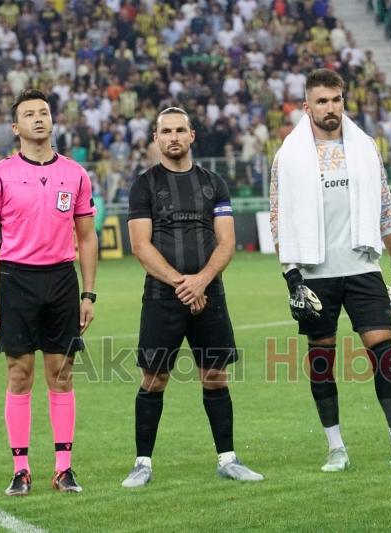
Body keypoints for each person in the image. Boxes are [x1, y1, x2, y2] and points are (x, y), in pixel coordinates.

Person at [270, 69, 391, 473]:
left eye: (336, 99)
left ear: (344, 100)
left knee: (384, 351)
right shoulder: (287, 156)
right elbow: (279, 217)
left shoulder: (364, 146)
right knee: (322, 358)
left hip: (363, 265)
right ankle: (335, 448)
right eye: (322, 101)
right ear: (307, 106)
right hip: (314, 273)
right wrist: (292, 277)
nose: (330, 108)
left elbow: (385, 206)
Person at [122, 107, 263, 487]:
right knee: (153, 379)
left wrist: (201, 281)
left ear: (192, 135)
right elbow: (140, 245)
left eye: (180, 130)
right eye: (166, 131)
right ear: (155, 137)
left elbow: (227, 241)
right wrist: (183, 284)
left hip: (209, 294)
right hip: (161, 298)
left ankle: (228, 459)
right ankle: (142, 464)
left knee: (215, 377)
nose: (173, 137)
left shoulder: (213, 183)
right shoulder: (144, 185)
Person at [0, 89, 98, 496]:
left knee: (61, 375)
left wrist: (89, 294)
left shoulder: (75, 174)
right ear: (16, 127)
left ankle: (64, 468)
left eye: (43, 112)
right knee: (19, 374)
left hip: (62, 280)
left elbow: (86, 237)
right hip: (16, 280)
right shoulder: (0, 175)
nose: (38, 119)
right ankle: (20, 469)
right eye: (29, 114)